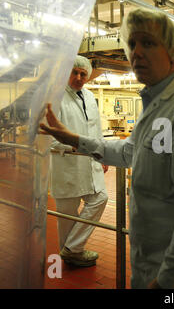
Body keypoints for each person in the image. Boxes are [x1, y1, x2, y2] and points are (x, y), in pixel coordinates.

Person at [40, 8, 174, 288]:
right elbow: (130, 153)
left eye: (149, 43)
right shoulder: (155, 105)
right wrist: (74, 139)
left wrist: (165, 281)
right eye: (132, 44)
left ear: (173, 51)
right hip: (153, 264)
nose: (137, 52)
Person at [49, 55, 108, 267]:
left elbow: (96, 128)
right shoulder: (54, 99)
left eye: (83, 74)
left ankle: (71, 249)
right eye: (74, 72)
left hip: (89, 163)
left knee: (100, 197)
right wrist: (72, 146)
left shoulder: (90, 97)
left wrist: (103, 153)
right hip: (66, 165)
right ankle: (73, 255)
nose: (79, 77)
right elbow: (46, 139)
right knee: (67, 217)